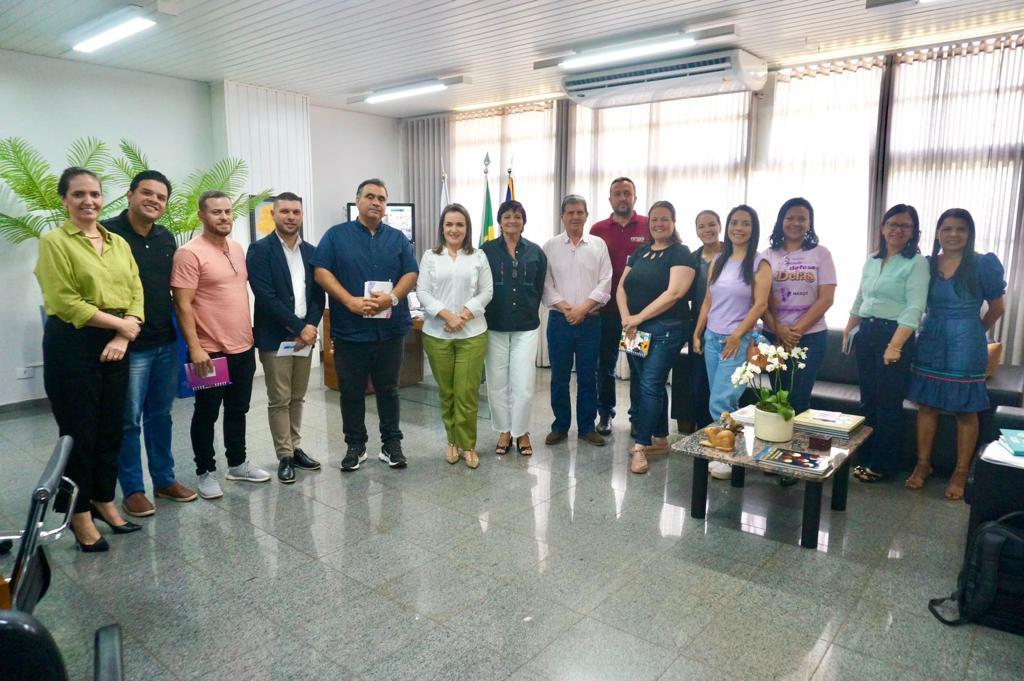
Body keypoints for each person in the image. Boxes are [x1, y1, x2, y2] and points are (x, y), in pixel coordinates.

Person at [35, 167, 145, 551]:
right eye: (79, 194)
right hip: (74, 343)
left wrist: (123, 331)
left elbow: (136, 289)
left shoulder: (117, 242)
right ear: (64, 200)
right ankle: (78, 514)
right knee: (79, 432)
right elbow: (65, 301)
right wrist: (123, 326)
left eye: (95, 194)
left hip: (117, 340)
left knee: (110, 429)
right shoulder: (55, 243)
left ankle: (104, 499)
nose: (89, 201)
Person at [103, 170, 197, 517]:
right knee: (129, 419)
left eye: (161, 196)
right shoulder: (108, 234)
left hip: (165, 340)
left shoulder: (165, 237)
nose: (154, 200)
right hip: (129, 344)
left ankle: (164, 479)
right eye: (147, 193)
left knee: (161, 415)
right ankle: (133, 489)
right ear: (130, 195)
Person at [313, 179, 418, 472]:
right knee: (351, 390)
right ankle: (355, 446)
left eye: (381, 198)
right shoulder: (336, 236)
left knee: (389, 389)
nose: (376, 202)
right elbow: (321, 271)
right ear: (357, 201)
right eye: (370, 197)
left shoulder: (398, 238)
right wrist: (349, 301)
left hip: (390, 329)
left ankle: (391, 445)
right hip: (351, 329)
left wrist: (392, 299)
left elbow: (411, 273)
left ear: (386, 206)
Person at [172, 191, 271, 500]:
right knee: (206, 413)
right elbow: (183, 304)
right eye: (216, 212)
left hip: (242, 346)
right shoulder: (189, 253)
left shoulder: (237, 248)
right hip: (209, 350)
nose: (224, 217)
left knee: (238, 409)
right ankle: (205, 471)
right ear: (202, 215)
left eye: (228, 211)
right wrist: (196, 347)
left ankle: (238, 463)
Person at [906, 209, 1005, 499]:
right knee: (926, 406)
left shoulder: (982, 264)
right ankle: (923, 464)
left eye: (960, 229)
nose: (953, 234)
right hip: (931, 337)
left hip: (967, 341)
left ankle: (961, 471)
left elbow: (997, 307)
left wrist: (976, 331)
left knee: (966, 409)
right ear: (937, 232)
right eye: (947, 228)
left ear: (969, 233)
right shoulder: (926, 264)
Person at [843, 204, 930, 483]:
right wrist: (849, 328)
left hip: (895, 335)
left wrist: (895, 346)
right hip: (867, 332)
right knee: (868, 399)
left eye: (905, 226)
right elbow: (860, 297)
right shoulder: (872, 258)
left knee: (888, 403)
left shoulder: (917, 263)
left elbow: (914, 308)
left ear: (914, 232)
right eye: (892, 224)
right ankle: (866, 457)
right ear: (882, 228)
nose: (897, 230)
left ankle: (883, 464)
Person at [246, 192, 326, 484]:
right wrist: (298, 326)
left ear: (301, 215)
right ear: (274, 215)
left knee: (297, 396)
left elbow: (319, 295)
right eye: (285, 212)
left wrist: (310, 326)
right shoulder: (259, 250)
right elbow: (265, 296)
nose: (291, 217)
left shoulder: (312, 252)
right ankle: (284, 456)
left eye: (296, 212)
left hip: (305, 338)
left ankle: (296, 446)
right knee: (279, 398)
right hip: (274, 337)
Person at [693, 205, 771, 480]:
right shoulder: (719, 260)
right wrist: (698, 332)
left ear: (754, 229)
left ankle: (725, 456)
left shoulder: (759, 264)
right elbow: (708, 300)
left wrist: (738, 334)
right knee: (724, 400)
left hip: (737, 341)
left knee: (721, 400)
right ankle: (731, 447)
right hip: (712, 338)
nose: (739, 228)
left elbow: (761, 304)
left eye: (745, 224)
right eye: (734, 223)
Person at [616, 201, 695, 474]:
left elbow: (674, 293)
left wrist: (638, 318)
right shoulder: (640, 251)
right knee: (646, 383)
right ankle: (660, 439)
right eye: (654, 220)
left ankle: (640, 446)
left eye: (664, 219)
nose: (658, 224)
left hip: (667, 328)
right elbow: (621, 288)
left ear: (673, 222)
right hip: (634, 330)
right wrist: (627, 318)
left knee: (650, 382)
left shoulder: (681, 253)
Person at [417, 204, 493, 468]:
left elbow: (487, 292)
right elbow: (423, 292)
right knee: (447, 392)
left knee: (466, 392)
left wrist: (461, 316)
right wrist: (446, 316)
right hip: (437, 334)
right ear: (442, 228)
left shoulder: (478, 256)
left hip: (472, 334)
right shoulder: (430, 256)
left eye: (459, 224)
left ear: (467, 228)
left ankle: (468, 445)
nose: (454, 229)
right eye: (449, 224)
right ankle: (452, 441)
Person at [542, 195, 613, 447]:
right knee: (559, 376)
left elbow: (606, 281)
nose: (575, 217)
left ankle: (586, 427)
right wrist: (566, 308)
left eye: (579, 212)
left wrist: (583, 309)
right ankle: (560, 425)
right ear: (562, 216)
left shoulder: (598, 245)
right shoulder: (550, 246)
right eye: (570, 212)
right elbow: (545, 284)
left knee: (587, 376)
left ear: (586, 215)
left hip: (591, 321)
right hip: (560, 321)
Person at [481, 200, 547, 458]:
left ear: (523, 221)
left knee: (523, 382)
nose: (512, 221)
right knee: (497, 383)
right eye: (507, 216)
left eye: (517, 216)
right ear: (499, 221)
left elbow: (539, 287)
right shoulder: (486, 250)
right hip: (494, 324)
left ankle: (522, 431)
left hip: (525, 326)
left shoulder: (535, 252)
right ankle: (504, 430)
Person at [762, 197, 836, 415]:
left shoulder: (821, 254)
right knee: (776, 399)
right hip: (773, 336)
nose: (796, 223)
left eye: (802, 219)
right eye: (790, 218)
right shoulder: (766, 255)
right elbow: (760, 301)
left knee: (798, 400)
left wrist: (794, 333)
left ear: (810, 223)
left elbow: (826, 298)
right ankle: (776, 448)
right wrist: (779, 330)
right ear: (780, 222)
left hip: (810, 337)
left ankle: (797, 450)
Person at [590, 177, 649, 436]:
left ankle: (637, 416)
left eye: (627, 193)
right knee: (605, 365)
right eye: (617, 194)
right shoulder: (598, 229)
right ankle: (605, 414)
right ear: (610, 199)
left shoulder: (649, 226)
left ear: (634, 197)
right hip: (605, 313)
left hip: (637, 316)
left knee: (638, 366)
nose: (622, 198)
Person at [687, 210, 724, 429]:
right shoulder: (692, 259)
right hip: (698, 329)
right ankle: (703, 433)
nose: (707, 230)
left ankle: (725, 435)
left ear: (720, 226)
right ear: (696, 231)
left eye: (711, 224)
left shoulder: (733, 255)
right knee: (699, 386)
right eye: (701, 226)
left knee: (723, 388)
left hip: (728, 329)